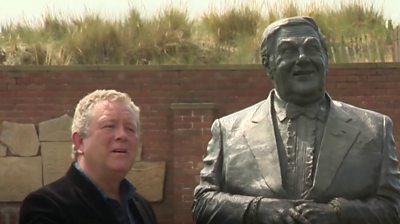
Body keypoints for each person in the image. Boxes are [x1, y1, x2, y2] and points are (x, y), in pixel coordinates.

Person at [192, 16, 400, 224]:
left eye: (312, 48)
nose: (302, 58)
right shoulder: (229, 131)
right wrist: (258, 209)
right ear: (268, 65)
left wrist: (339, 214)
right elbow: (203, 204)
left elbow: (393, 207)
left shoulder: (374, 130)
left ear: (326, 59)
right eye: (288, 51)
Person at [20, 89, 157, 224]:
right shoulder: (46, 206)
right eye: (109, 126)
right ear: (80, 142)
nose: (122, 135)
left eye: (130, 128)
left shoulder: (142, 207)